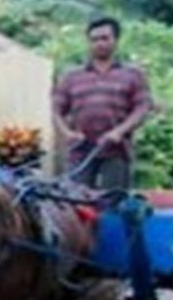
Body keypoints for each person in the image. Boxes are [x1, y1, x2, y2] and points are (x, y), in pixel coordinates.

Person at [52, 16, 156, 190]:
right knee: (76, 203)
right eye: (94, 39)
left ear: (115, 40)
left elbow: (142, 108)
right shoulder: (71, 76)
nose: (99, 43)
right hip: (81, 151)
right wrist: (67, 133)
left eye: (104, 38)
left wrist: (119, 131)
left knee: (113, 203)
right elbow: (55, 110)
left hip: (117, 151)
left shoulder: (132, 75)